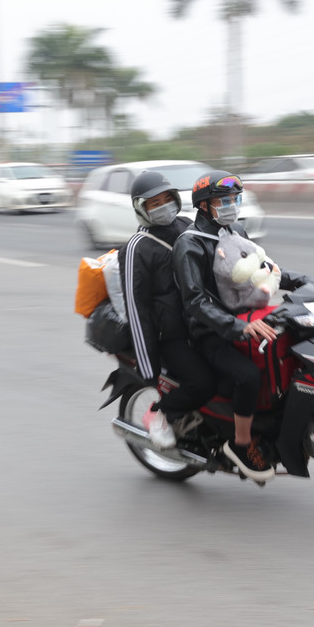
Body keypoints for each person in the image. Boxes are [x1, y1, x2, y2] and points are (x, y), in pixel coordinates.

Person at [172, 170, 312, 482]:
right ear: (205, 206)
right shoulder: (190, 245)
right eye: (224, 200)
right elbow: (194, 301)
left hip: (247, 317)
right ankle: (241, 442)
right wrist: (236, 327)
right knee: (247, 376)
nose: (232, 205)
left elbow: (262, 268)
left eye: (235, 199)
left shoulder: (234, 231)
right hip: (209, 331)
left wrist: (303, 281)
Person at [119, 170, 216, 448]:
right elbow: (137, 310)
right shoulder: (137, 248)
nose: (163, 206)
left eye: (167, 199)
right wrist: (147, 368)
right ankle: (159, 414)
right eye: (154, 203)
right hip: (171, 336)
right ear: (141, 208)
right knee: (202, 383)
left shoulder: (187, 225)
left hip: (202, 322)